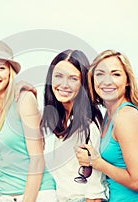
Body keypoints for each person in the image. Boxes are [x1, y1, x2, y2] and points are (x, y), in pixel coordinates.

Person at [75, 50, 138, 201]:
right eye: (100, 74)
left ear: (127, 80)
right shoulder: (109, 116)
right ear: (92, 80)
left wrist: (96, 162)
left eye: (116, 74)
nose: (107, 81)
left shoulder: (125, 116)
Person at [0, 40, 57, 202]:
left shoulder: (24, 100)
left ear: (10, 72)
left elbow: (37, 159)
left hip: (37, 194)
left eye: (1, 68)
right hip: (5, 195)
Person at [41, 49, 108, 202]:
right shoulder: (59, 117)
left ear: (83, 83)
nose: (64, 84)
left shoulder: (89, 124)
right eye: (58, 76)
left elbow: (95, 191)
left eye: (73, 78)